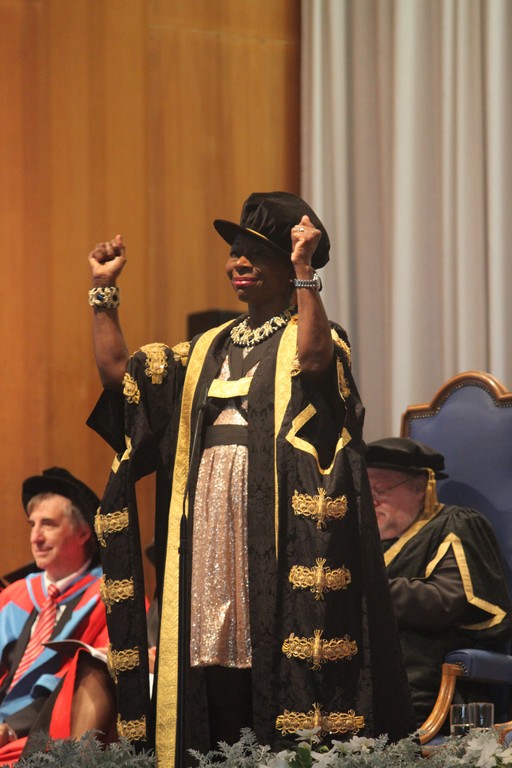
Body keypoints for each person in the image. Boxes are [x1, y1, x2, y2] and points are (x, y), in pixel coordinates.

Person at [87, 191, 416, 763]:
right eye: (235, 252)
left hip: (274, 526)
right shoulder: (205, 349)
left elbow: (315, 365)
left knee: (263, 648)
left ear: (285, 267)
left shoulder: (315, 334)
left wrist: (306, 272)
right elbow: (122, 377)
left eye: (255, 254)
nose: (238, 263)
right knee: (208, 652)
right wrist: (102, 294)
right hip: (208, 523)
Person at [365, 437, 512, 728]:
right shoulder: (361, 541)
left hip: (423, 687)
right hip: (357, 684)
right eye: (364, 490)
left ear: (421, 488)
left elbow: (445, 601)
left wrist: (364, 590)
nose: (372, 500)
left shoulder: (455, 524)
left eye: (381, 489)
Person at [0, 467, 112, 765]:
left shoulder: (110, 598)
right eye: (32, 525)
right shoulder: (14, 595)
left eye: (48, 524)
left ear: (83, 532)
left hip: (44, 736)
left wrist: (12, 727)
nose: (35, 537)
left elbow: (96, 684)